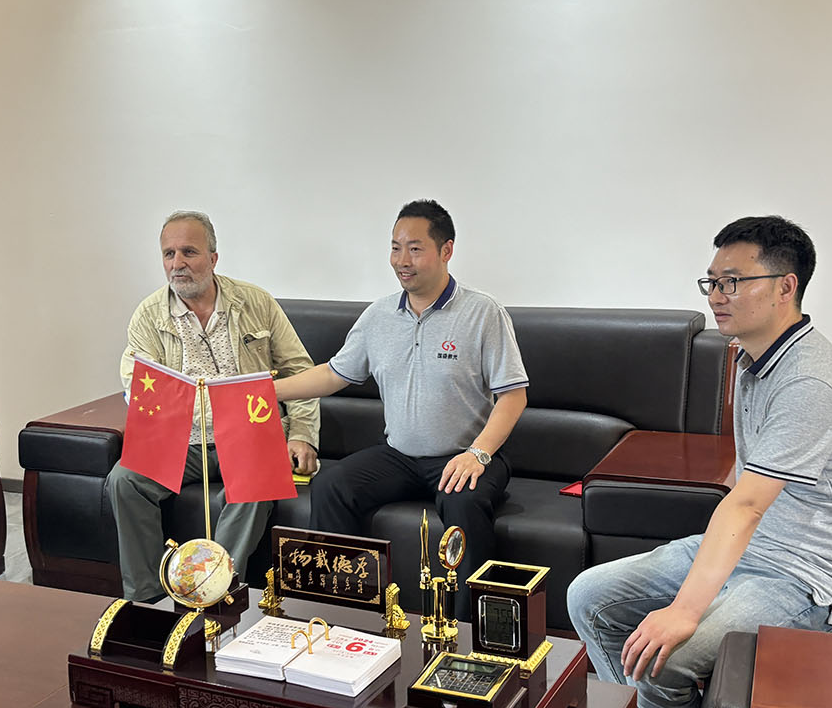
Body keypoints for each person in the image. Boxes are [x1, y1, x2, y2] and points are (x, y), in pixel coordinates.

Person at [567, 216, 832, 708]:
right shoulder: (750, 359)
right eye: (712, 281)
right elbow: (745, 497)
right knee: (589, 596)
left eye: (734, 281)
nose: (717, 295)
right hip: (758, 550)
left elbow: (744, 505)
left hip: (815, 579)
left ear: (786, 286)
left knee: (663, 655)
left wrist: (685, 610)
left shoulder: (810, 380)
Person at [273, 199, 528, 590]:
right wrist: (266, 389)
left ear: (446, 250)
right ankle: (342, 603)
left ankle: (464, 621)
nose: (401, 261)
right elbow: (332, 374)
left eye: (415, 248)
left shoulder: (482, 313)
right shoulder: (378, 316)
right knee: (331, 486)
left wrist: (478, 454)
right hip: (400, 456)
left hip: (465, 455)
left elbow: (513, 395)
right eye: (395, 248)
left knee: (464, 502)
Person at [108, 210, 320, 600]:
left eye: (189, 252)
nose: (178, 263)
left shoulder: (255, 303)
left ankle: (214, 593)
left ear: (213, 258)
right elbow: (135, 383)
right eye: (169, 254)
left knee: (255, 485)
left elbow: (301, 372)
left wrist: (303, 434)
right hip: (179, 442)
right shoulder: (149, 315)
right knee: (124, 480)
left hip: (248, 436)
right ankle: (145, 599)